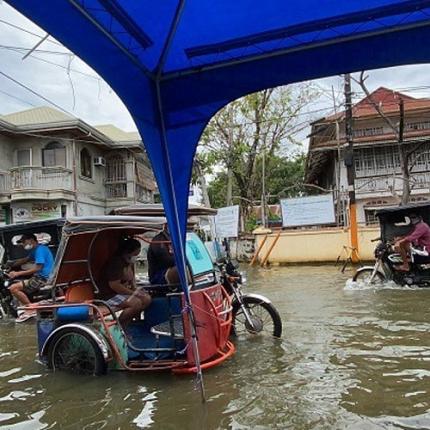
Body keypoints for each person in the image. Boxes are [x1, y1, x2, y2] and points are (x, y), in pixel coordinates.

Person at [98, 238, 151, 328]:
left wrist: (136, 290)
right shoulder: (116, 263)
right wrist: (133, 293)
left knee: (147, 299)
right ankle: (119, 327)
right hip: (109, 295)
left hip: (122, 293)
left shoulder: (129, 262)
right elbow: (114, 285)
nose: (136, 256)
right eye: (135, 254)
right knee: (135, 303)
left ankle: (133, 324)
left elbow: (132, 279)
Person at [8, 233, 54, 322]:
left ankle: (30, 309)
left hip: (43, 279)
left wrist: (17, 273)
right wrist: (10, 264)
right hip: (42, 277)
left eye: (24, 242)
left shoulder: (40, 250)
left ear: (31, 240)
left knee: (13, 288)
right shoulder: (36, 249)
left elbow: (38, 268)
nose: (23, 245)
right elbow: (26, 259)